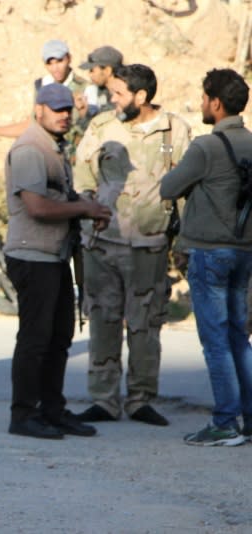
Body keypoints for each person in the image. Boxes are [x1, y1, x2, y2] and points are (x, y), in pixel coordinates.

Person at [73, 64, 192, 426]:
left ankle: (141, 398)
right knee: (103, 320)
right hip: (103, 245)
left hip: (150, 245)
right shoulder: (101, 127)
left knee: (145, 325)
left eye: (120, 93)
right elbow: (83, 177)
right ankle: (104, 399)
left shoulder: (173, 129)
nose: (113, 99)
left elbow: (186, 189)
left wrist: (183, 240)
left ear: (141, 97)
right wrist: (88, 217)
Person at [4, 83, 111, 440]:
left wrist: (85, 204)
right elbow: (36, 207)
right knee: (36, 339)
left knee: (59, 336)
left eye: (67, 108)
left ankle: (52, 409)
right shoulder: (30, 149)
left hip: (54, 255)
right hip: (32, 256)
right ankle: (24, 415)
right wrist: (83, 208)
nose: (63, 114)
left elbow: (56, 197)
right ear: (39, 110)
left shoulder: (51, 146)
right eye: (55, 109)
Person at [160, 68, 252, 446]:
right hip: (244, 252)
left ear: (215, 103)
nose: (201, 104)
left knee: (215, 340)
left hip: (209, 252)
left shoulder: (206, 147)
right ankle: (246, 417)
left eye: (203, 98)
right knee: (238, 338)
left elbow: (168, 187)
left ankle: (225, 422)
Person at [0, 39, 91, 160]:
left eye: (59, 61)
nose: (55, 68)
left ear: (69, 59)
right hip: (47, 156)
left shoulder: (85, 88)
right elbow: (32, 125)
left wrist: (83, 115)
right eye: (50, 63)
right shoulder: (42, 86)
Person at [78, 46, 123, 120]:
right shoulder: (101, 91)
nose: (90, 74)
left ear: (107, 71)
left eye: (92, 70)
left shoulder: (124, 95)